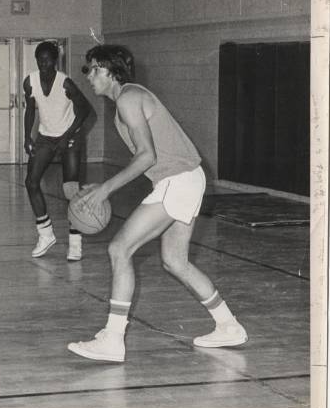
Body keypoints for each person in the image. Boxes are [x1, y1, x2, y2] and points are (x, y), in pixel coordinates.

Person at [67, 45, 247, 362]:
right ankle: (228, 325)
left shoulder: (128, 98)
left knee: (119, 249)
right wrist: (103, 186)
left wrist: (107, 189)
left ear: (109, 71)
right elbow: (150, 157)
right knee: (175, 261)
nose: (89, 75)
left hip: (178, 180)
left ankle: (112, 338)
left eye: (93, 68)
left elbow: (147, 155)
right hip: (186, 178)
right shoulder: (127, 99)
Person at [23, 41, 90, 261]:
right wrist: (27, 137)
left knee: (70, 190)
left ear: (55, 60)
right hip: (45, 136)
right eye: (39, 60)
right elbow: (30, 110)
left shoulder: (66, 84)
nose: (43, 64)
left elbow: (85, 110)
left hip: (70, 137)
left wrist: (68, 136)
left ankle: (75, 243)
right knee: (31, 182)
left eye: (47, 60)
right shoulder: (29, 82)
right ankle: (46, 234)